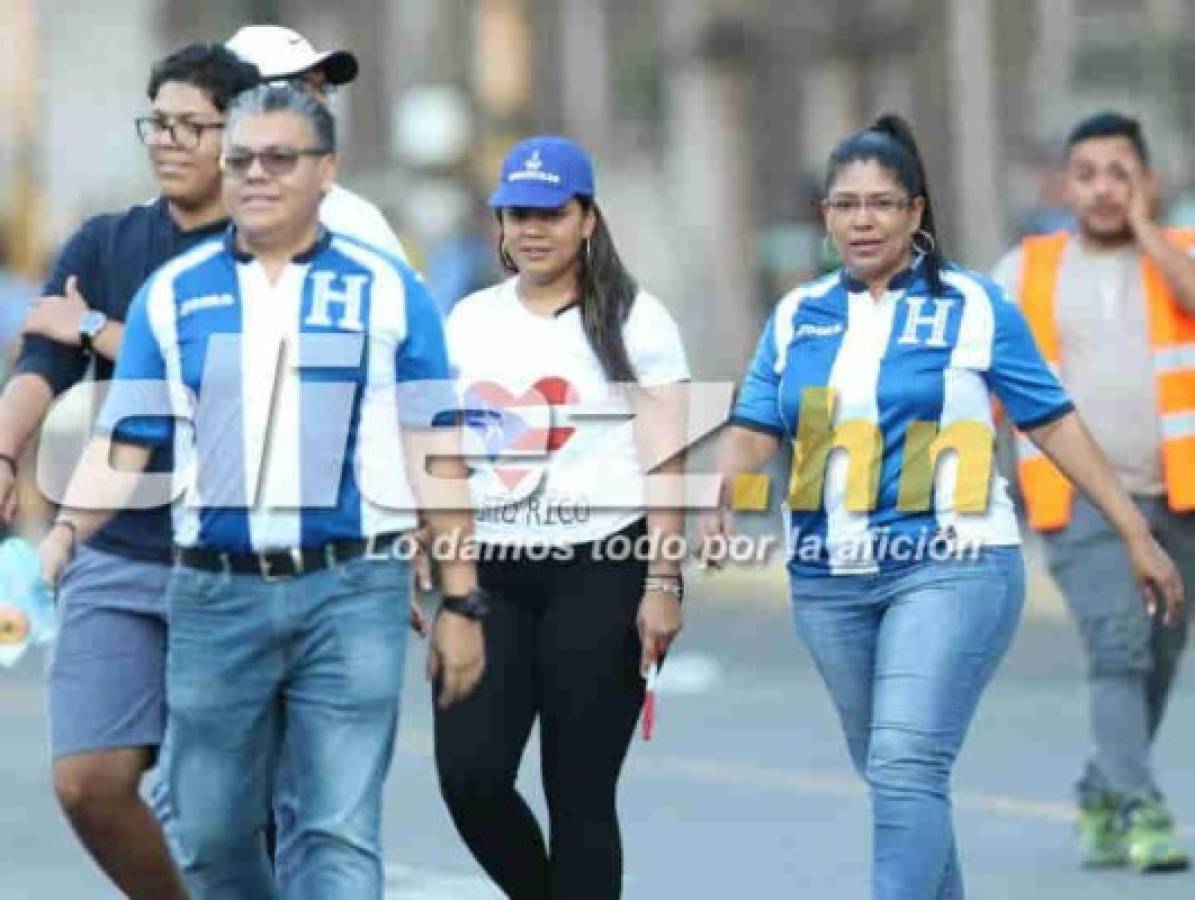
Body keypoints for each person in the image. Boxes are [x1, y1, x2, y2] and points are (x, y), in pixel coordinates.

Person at [701, 113, 1184, 900]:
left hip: (952, 564)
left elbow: (1052, 422)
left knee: (902, 762)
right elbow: (756, 426)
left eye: (882, 203)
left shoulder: (974, 304)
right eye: (845, 203)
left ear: (915, 212)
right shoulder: (798, 316)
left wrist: (1134, 531)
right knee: (898, 775)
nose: (862, 220)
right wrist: (720, 489)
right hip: (827, 580)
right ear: (824, 215)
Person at [37, 81, 484, 898]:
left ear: (326, 171)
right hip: (213, 593)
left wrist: (461, 598)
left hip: (354, 588)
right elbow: (126, 440)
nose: (257, 175)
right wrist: (62, 540)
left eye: (281, 158)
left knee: (338, 830)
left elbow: (437, 451)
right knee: (208, 834)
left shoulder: (389, 289)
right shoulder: (172, 296)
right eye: (241, 159)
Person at [0, 43, 258, 899]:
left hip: (236, 556)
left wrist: (97, 329)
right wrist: (4, 450)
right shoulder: (107, 240)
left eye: (194, 125)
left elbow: (222, 376)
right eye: (159, 122)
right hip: (121, 539)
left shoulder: (268, 254)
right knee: (89, 781)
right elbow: (41, 357)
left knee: (222, 804)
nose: (170, 141)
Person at [433, 135, 689, 899]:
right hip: (489, 574)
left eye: (551, 212)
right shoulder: (470, 319)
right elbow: (440, 450)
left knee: (578, 795)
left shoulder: (637, 321)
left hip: (600, 569)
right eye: (517, 213)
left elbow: (666, 462)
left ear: (587, 219)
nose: (532, 228)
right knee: (471, 776)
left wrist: (663, 581)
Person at [992, 111, 1195, 873]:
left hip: (1177, 499)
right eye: (1087, 174)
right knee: (1118, 647)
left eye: (1120, 173)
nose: (1103, 189)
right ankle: (1141, 807)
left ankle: (1099, 787)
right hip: (1075, 500)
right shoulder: (1028, 267)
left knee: (1158, 655)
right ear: (1064, 183)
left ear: (1145, 180)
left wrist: (1149, 231)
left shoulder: (1178, 253)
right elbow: (977, 364)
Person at [225, 24, 409, 261]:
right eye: (300, 88)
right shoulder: (182, 223)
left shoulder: (355, 221)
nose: (320, 104)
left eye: (322, 88)